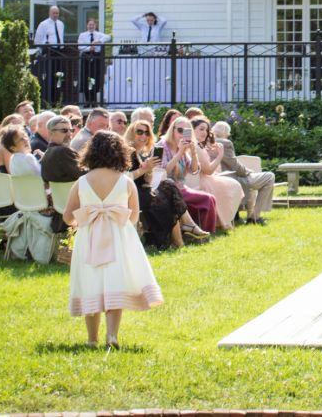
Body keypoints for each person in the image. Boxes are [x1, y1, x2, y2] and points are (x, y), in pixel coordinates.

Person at [63, 129, 163, 349]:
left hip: (89, 237)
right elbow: (134, 215)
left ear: (91, 153)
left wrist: (85, 219)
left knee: (91, 283)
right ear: (120, 153)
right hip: (118, 237)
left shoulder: (81, 182)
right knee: (115, 283)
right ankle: (112, 335)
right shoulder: (125, 181)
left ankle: (91, 339)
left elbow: (68, 216)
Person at [123, 119, 207, 247]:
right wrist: (144, 169)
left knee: (169, 187)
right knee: (170, 189)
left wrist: (148, 170)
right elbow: (123, 178)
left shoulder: (140, 153)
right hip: (132, 194)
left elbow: (194, 170)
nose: (144, 136)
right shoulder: (127, 152)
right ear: (131, 133)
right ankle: (185, 232)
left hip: (145, 189)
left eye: (147, 133)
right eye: (139, 132)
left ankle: (182, 238)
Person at [157, 117, 220, 234]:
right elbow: (163, 171)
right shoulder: (163, 145)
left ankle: (205, 232)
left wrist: (193, 153)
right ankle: (200, 232)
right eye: (180, 130)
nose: (182, 134)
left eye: (186, 131)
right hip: (167, 190)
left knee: (210, 198)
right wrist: (180, 152)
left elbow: (193, 170)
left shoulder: (183, 147)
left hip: (181, 188)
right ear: (173, 130)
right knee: (207, 199)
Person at [214, 120, 276, 224]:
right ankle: (255, 216)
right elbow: (235, 165)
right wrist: (248, 171)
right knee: (270, 176)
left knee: (255, 186)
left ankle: (252, 216)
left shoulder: (207, 142)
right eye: (228, 133)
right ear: (226, 132)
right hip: (232, 178)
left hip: (220, 177)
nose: (229, 135)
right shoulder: (225, 143)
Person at [189, 118, 245, 231]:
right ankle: (223, 221)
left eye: (206, 129)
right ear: (192, 130)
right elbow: (208, 170)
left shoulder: (198, 145)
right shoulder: (195, 146)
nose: (204, 132)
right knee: (234, 185)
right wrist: (220, 155)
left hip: (203, 178)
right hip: (202, 181)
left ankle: (222, 220)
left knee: (233, 184)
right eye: (201, 129)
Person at [33, 5, 67, 105]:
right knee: (48, 75)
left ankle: (57, 99)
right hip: (48, 51)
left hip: (59, 51)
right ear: (49, 13)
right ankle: (48, 100)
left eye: (57, 13)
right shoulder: (43, 24)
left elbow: (61, 37)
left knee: (59, 75)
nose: (56, 15)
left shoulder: (61, 24)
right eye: (54, 13)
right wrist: (41, 50)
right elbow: (38, 39)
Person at [77, 18, 110, 106]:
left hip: (96, 57)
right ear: (87, 25)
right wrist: (89, 48)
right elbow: (79, 47)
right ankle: (87, 100)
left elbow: (109, 37)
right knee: (86, 78)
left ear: (95, 26)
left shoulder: (99, 34)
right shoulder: (82, 35)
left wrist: (98, 41)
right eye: (89, 24)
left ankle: (94, 100)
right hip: (86, 57)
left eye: (93, 25)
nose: (91, 26)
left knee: (95, 78)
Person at [40, 115, 83, 184]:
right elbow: (85, 175)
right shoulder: (62, 151)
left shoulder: (47, 153)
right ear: (51, 133)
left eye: (71, 130)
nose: (69, 134)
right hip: (74, 194)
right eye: (64, 130)